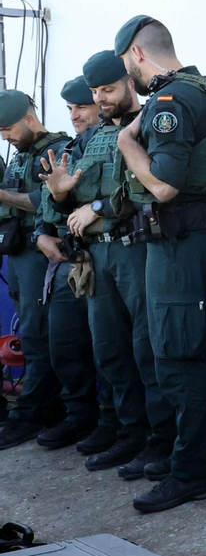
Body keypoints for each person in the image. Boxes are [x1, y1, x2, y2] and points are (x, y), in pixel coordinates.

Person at [112, 14, 206, 512]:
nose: (129, 76)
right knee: (187, 349)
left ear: (137, 53)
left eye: (126, 64)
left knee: (177, 356)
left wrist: (127, 144)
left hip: (180, 239)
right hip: (202, 232)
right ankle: (200, 457)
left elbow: (164, 185)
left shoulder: (170, 100)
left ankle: (196, 471)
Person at [47, 50, 173, 473]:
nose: (100, 98)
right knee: (109, 349)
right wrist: (60, 194)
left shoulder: (152, 124)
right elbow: (67, 194)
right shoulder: (92, 136)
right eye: (95, 91)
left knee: (147, 349)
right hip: (98, 255)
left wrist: (97, 207)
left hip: (138, 249)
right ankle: (127, 430)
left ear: (129, 83)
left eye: (108, 89)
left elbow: (155, 184)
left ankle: (161, 439)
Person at [30, 76, 108, 453]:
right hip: (69, 257)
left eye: (82, 107)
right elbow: (46, 205)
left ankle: (119, 425)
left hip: (107, 254)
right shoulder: (69, 149)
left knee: (111, 348)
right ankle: (79, 415)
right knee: (64, 342)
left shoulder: (116, 141)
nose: (75, 115)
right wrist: (40, 235)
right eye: (71, 109)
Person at [0, 91, 72, 450]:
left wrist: (1, 196)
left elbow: (41, 200)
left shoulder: (56, 150)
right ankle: (48, 406)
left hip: (40, 253)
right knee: (30, 334)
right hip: (18, 254)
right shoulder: (20, 154)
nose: (6, 137)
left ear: (29, 120)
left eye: (9, 129)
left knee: (38, 335)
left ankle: (32, 413)